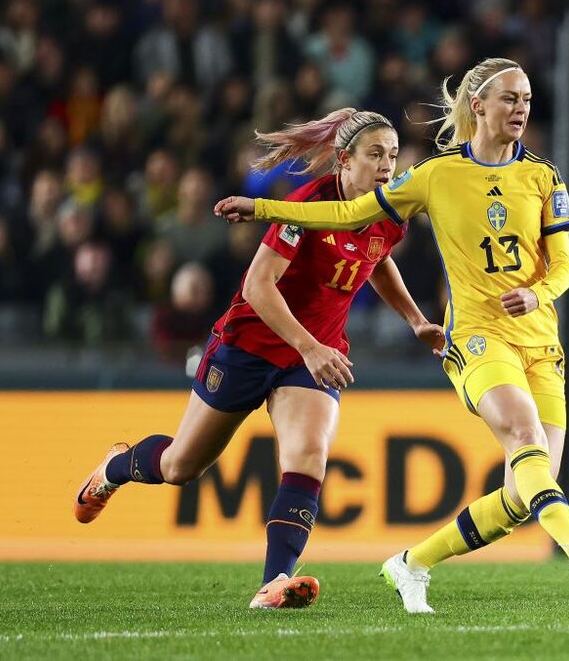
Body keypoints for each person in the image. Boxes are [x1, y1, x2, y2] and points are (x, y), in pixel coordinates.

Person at [215, 58, 569, 614]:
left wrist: (539, 295)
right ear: (479, 106)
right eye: (510, 99)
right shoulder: (435, 175)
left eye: (526, 99)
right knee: (525, 437)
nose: (521, 109)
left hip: (542, 343)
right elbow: (350, 215)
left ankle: (411, 563)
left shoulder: (545, 177)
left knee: (524, 495)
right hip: (476, 337)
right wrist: (261, 207)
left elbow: (564, 267)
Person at [73, 108, 443, 610]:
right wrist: (309, 346)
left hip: (313, 359)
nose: (387, 167)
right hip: (250, 345)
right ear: (342, 160)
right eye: (375, 155)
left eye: (393, 156)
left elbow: (377, 260)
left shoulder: (388, 211)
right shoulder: (307, 204)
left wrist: (415, 319)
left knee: (308, 456)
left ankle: (274, 584)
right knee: (181, 466)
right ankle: (115, 468)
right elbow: (257, 286)